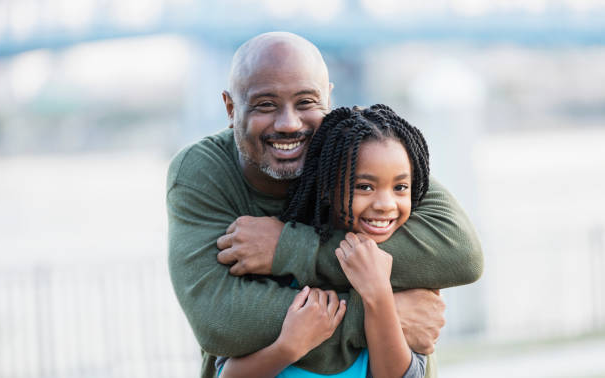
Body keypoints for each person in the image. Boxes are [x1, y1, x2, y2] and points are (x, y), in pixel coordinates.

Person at [166, 32, 483, 378]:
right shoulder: (202, 171)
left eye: (306, 102)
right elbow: (221, 322)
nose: (288, 123)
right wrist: (381, 314)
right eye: (266, 105)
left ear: (328, 98)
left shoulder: (359, 149)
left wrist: (289, 248)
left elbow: (460, 252)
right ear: (230, 108)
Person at [216, 104, 436, 378]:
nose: (385, 204)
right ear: (327, 188)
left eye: (400, 187)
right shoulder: (272, 257)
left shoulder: (406, 273)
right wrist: (288, 347)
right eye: (364, 187)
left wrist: (379, 294)